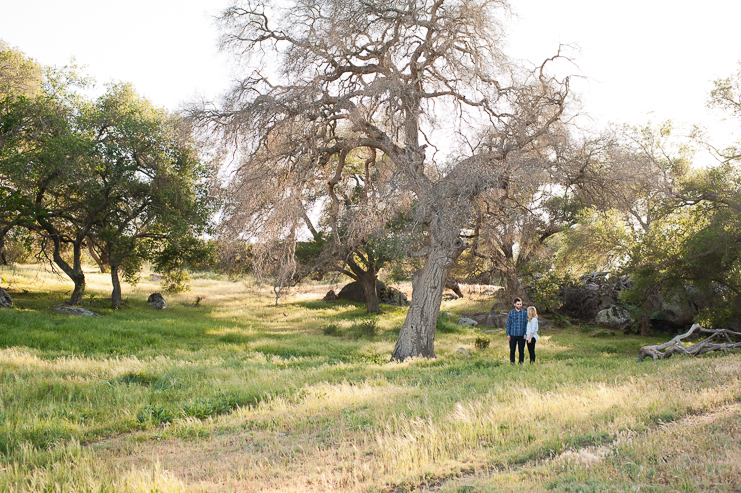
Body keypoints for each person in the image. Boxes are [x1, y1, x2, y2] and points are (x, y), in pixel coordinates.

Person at [506, 297, 528, 364]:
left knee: (521, 350)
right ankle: (512, 363)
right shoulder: (511, 313)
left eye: (520, 304)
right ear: (514, 304)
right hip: (513, 334)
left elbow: (526, 324)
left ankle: (521, 363)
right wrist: (508, 334)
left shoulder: (524, 313)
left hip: (521, 335)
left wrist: (525, 334)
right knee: (512, 350)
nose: (519, 305)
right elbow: (508, 324)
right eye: (518, 304)